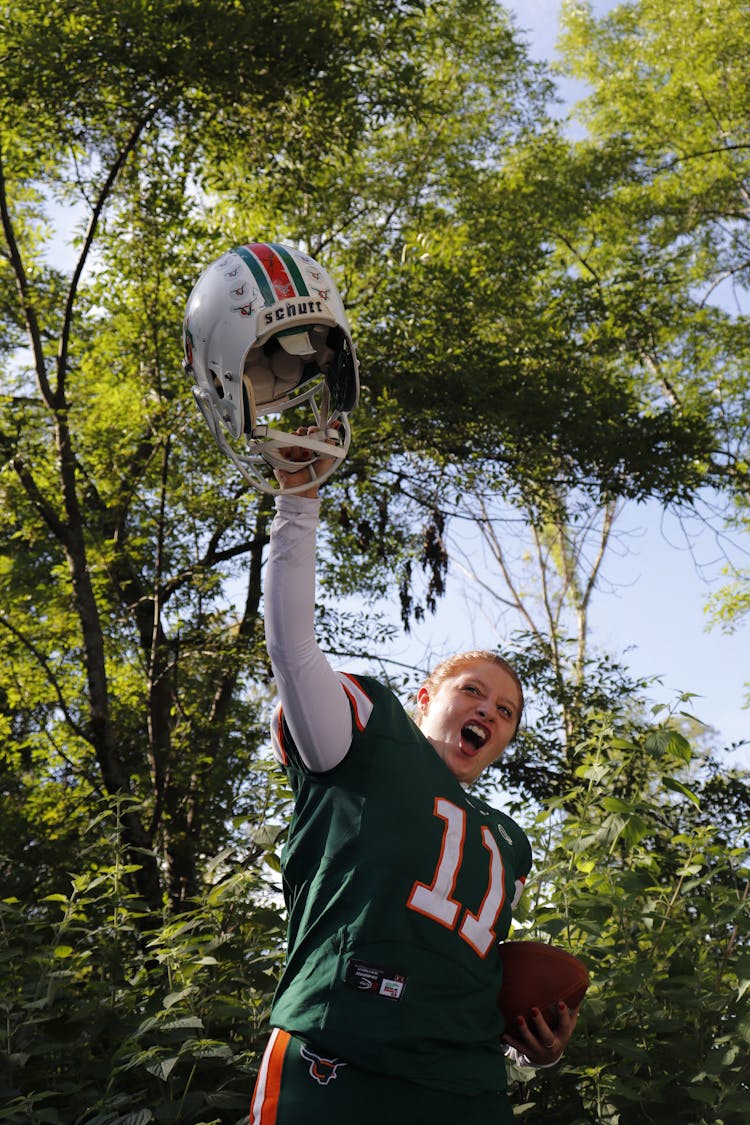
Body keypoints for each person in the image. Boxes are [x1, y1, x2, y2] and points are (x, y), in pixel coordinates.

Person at [248, 434, 579, 1125]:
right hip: (343, 1049)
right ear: (427, 697)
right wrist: (299, 497)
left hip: (466, 1084)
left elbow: (470, 970)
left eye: (507, 711)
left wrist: (531, 1047)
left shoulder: (508, 842)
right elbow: (291, 646)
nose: (490, 708)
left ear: (506, 739)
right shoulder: (365, 735)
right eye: (473, 690)